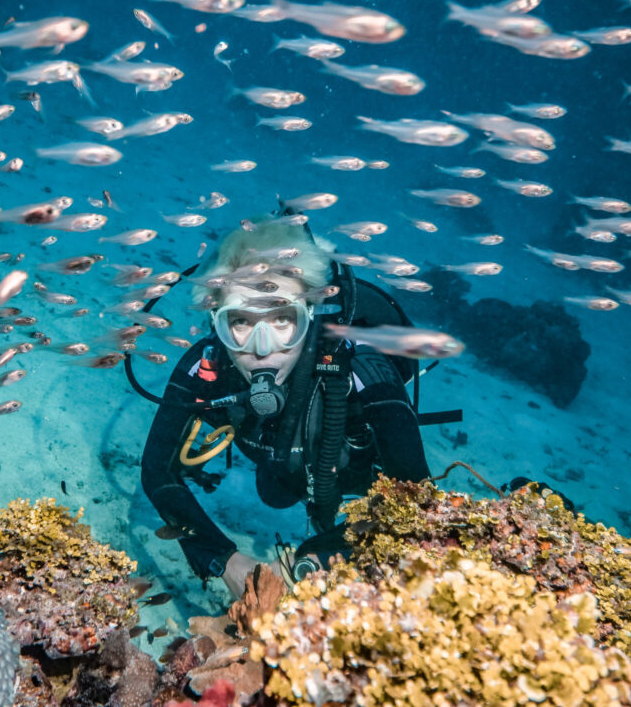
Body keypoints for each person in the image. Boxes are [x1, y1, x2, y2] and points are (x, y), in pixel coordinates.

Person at [140, 218, 431, 597]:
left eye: (282, 318)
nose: (263, 348)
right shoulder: (208, 363)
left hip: (352, 474)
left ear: (310, 313)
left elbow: (418, 501)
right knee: (274, 493)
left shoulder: (360, 365)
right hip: (278, 467)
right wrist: (223, 559)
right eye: (239, 321)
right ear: (216, 323)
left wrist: (310, 560)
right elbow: (157, 470)